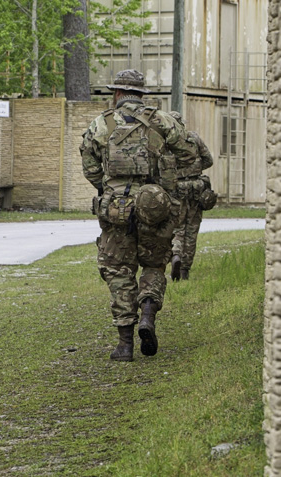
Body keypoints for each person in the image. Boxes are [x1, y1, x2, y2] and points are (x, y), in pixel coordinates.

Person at [80, 70, 197, 362]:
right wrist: (164, 183)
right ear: (140, 94)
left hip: (115, 211)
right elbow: (189, 155)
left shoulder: (102, 123)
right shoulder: (162, 120)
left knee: (118, 270)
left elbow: (89, 164)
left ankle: (124, 344)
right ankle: (147, 312)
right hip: (155, 208)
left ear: (117, 94)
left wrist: (108, 188)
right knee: (154, 265)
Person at [169, 114, 215, 281]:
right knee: (192, 229)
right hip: (196, 187)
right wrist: (194, 170)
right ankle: (185, 270)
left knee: (177, 227)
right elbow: (208, 160)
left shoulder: (166, 141)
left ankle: (175, 255)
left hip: (175, 188)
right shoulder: (193, 137)